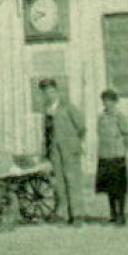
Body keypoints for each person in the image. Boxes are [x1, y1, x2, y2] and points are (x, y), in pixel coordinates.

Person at [40, 78, 86, 225]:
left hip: (69, 151)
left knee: (72, 181)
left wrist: (73, 143)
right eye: (46, 92)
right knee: (59, 183)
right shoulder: (47, 110)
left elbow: (81, 126)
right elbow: (47, 133)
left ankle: (77, 215)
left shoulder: (68, 107)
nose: (49, 95)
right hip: (55, 152)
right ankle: (64, 215)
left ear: (57, 92)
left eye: (52, 91)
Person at [94, 89, 128, 225]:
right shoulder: (101, 117)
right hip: (105, 156)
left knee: (120, 188)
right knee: (109, 188)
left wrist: (122, 150)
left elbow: (127, 135)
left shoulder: (120, 117)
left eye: (110, 100)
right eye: (105, 100)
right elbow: (99, 134)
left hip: (117, 156)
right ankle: (113, 214)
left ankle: (121, 214)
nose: (107, 103)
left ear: (115, 102)